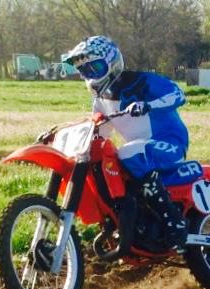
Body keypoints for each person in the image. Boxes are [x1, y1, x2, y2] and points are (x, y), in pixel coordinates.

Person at [66, 35, 188, 248]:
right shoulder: (100, 100)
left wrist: (148, 105)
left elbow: (178, 94)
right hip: (142, 151)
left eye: (95, 67)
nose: (91, 75)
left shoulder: (141, 81)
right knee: (105, 163)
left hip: (170, 144)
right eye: (85, 71)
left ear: (112, 62)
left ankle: (174, 223)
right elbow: (101, 133)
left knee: (128, 153)